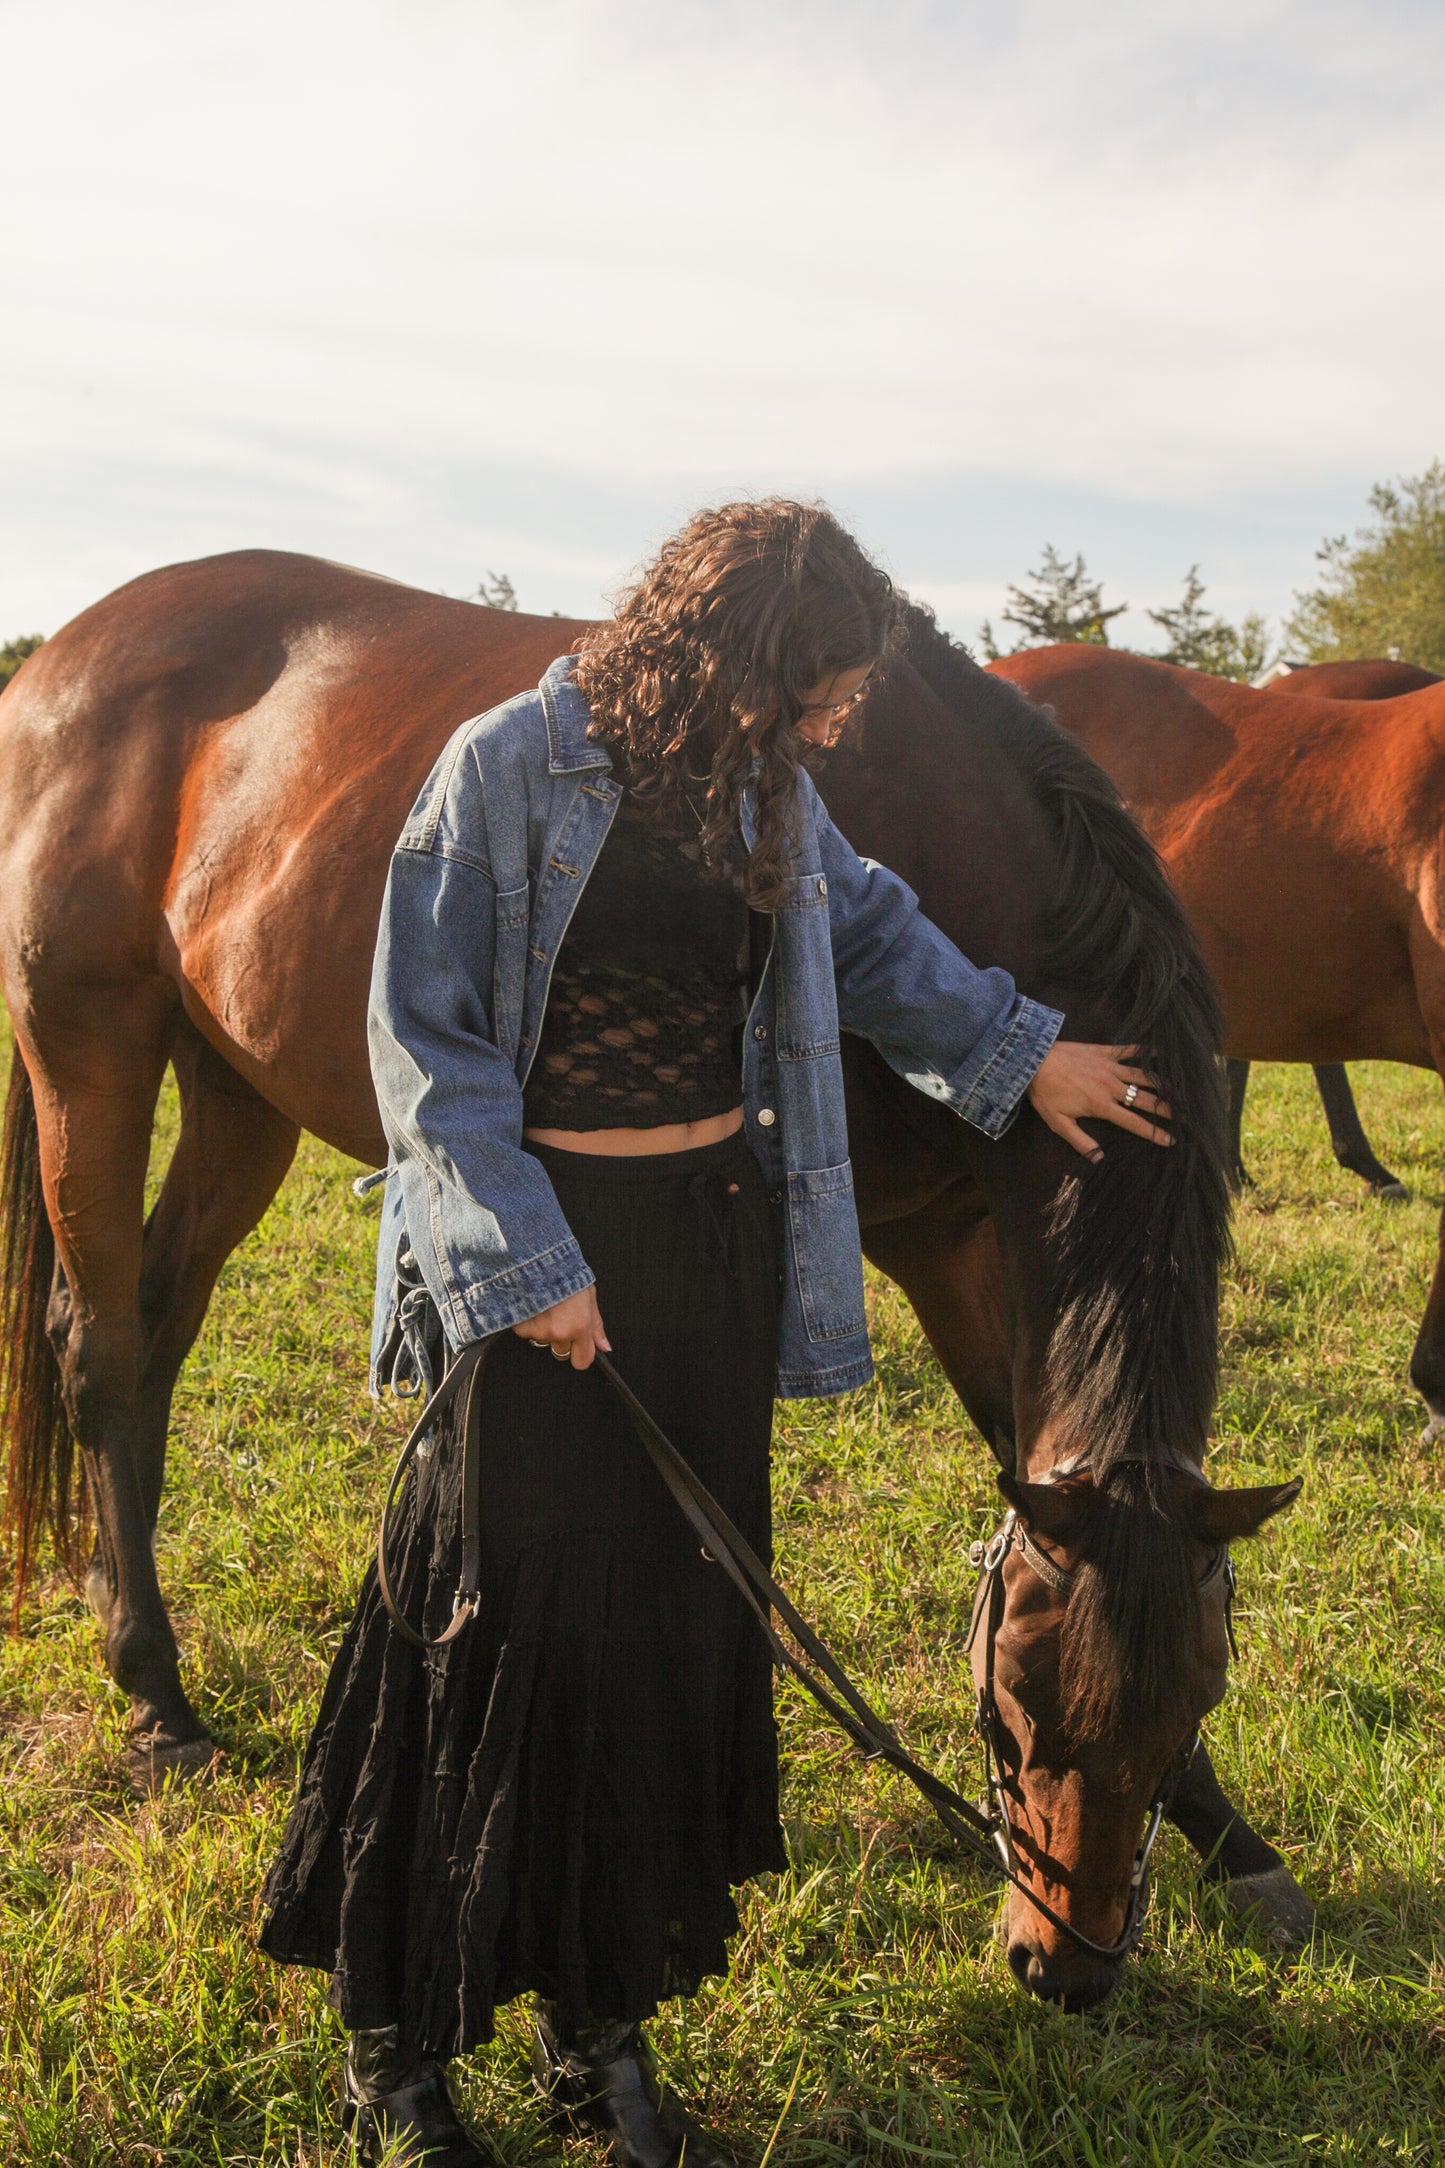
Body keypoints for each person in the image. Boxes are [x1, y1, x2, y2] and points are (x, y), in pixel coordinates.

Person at [259, 501, 1172, 2167]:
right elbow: (428, 1049)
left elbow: (876, 934)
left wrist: (1019, 1052)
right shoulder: (504, 769)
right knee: (495, 1627)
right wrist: (526, 1266)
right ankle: (396, 2050)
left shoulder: (763, 790)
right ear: (726, 658)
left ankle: (591, 2014)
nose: (834, 725)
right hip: (544, 1260)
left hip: (712, 1251)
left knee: (657, 1640)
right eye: (816, 694)